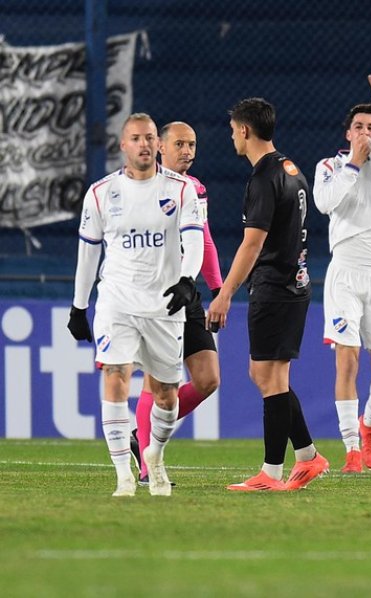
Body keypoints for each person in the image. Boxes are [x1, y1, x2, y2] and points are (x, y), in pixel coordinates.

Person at [67, 113, 204, 497]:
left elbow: (194, 240)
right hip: (117, 302)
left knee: (165, 393)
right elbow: (88, 253)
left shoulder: (180, 190)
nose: (144, 144)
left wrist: (187, 280)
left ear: (158, 145)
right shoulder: (100, 193)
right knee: (115, 375)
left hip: (164, 306)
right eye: (135, 139)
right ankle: (123, 475)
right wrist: (80, 306)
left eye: (149, 138)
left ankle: (154, 457)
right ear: (123, 145)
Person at [207, 97, 329, 491]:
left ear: (244, 130)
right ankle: (308, 457)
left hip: (275, 286)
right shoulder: (292, 169)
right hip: (297, 282)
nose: (232, 137)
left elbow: (251, 245)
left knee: (267, 376)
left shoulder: (263, 177)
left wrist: (225, 294)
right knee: (269, 375)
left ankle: (271, 472)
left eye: (233, 131)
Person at [313, 75, 371, 473]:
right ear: (348, 132)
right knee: (347, 362)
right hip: (346, 274)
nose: (366, 132)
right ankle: (351, 448)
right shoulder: (330, 167)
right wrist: (352, 163)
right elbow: (324, 203)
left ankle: (369, 426)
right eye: (360, 127)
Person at [131, 121, 223, 485]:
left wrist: (219, 290)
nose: (187, 151)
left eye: (192, 145)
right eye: (180, 144)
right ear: (160, 149)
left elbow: (207, 240)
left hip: (189, 295)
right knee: (154, 384)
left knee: (207, 379)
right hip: (155, 296)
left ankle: (144, 437)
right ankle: (145, 462)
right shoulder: (141, 186)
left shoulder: (195, 189)